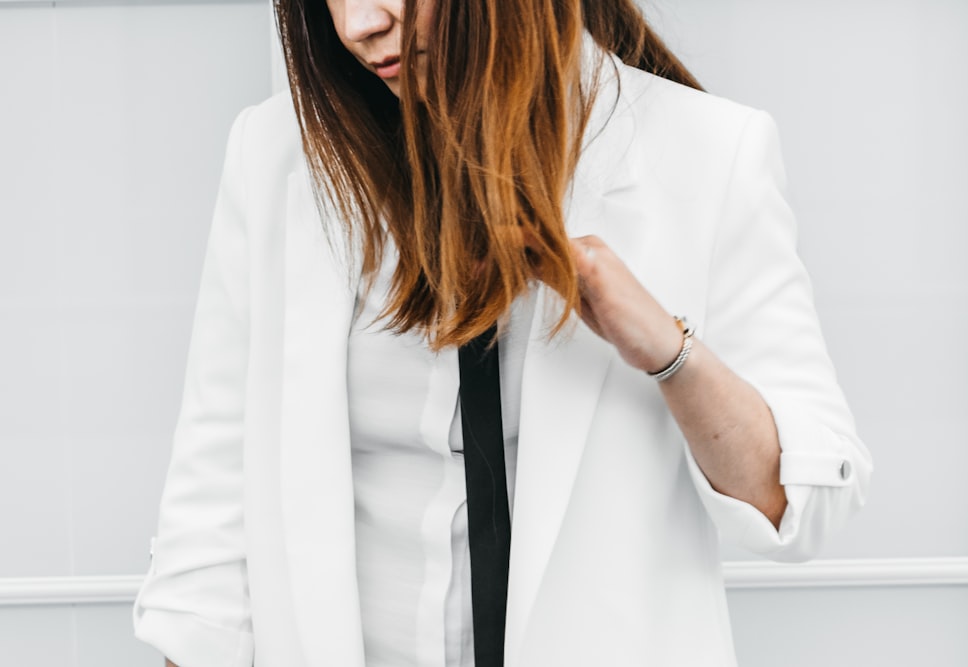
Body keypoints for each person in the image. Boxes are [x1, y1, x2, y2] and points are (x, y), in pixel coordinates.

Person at [133, 0, 872, 665]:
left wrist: (667, 351)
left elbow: (797, 504)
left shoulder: (710, 152)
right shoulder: (274, 155)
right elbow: (211, 513)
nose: (359, 25)